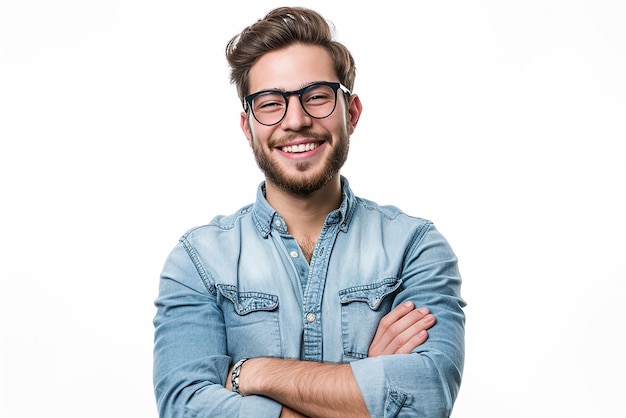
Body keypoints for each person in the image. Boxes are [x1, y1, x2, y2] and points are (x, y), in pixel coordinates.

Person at [153, 6, 466, 418]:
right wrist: (365, 385)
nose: (296, 120)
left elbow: (426, 397)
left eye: (316, 97)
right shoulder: (198, 261)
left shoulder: (415, 248)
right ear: (248, 127)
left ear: (350, 113)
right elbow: (184, 407)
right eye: (270, 103)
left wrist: (251, 372)